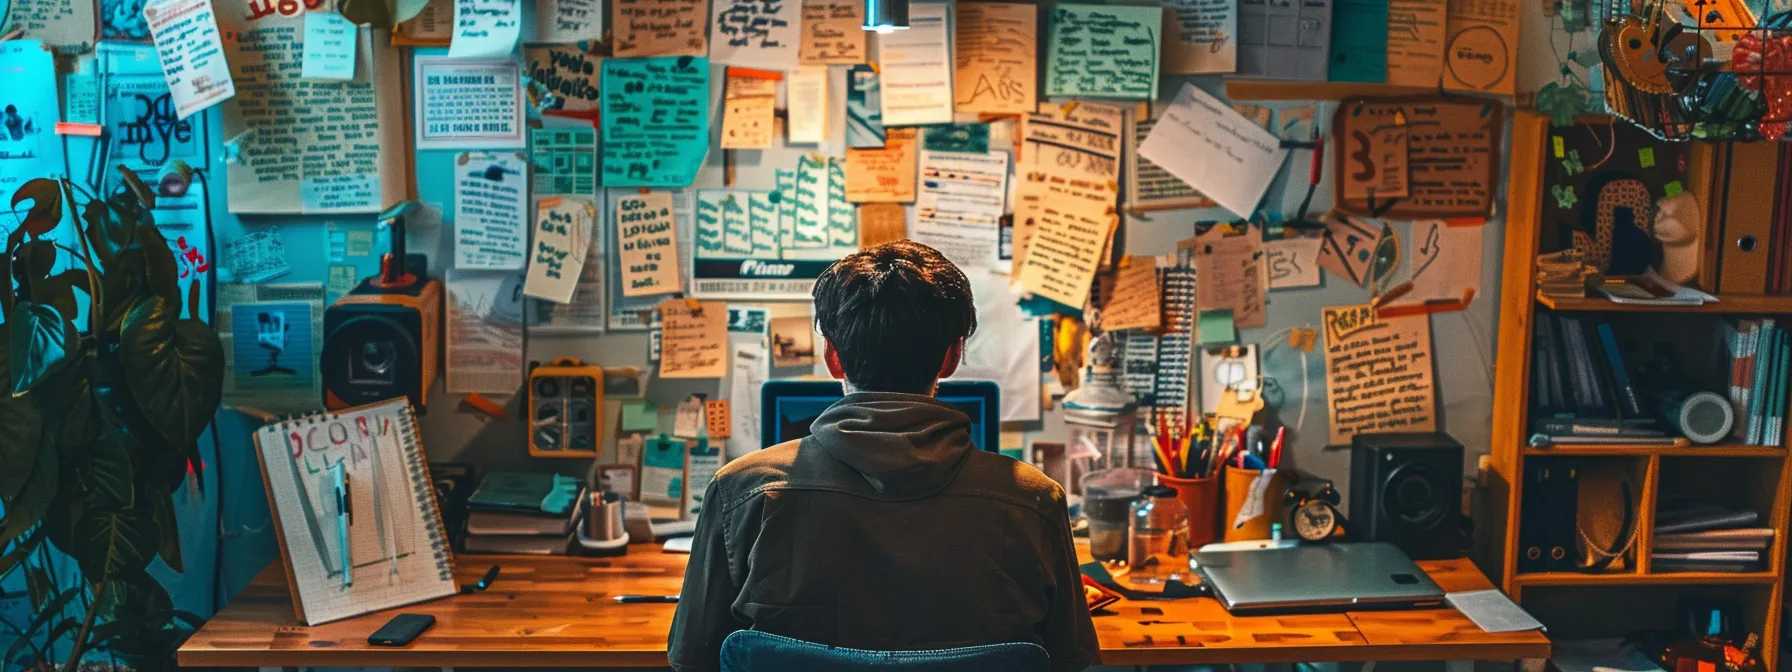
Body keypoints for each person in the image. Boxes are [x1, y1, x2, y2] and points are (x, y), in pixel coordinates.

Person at [668, 241, 1100, 672]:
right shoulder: (1034, 500)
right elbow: (1071, 661)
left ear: (832, 357)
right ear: (952, 356)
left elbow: (693, 659)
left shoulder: (741, 491)